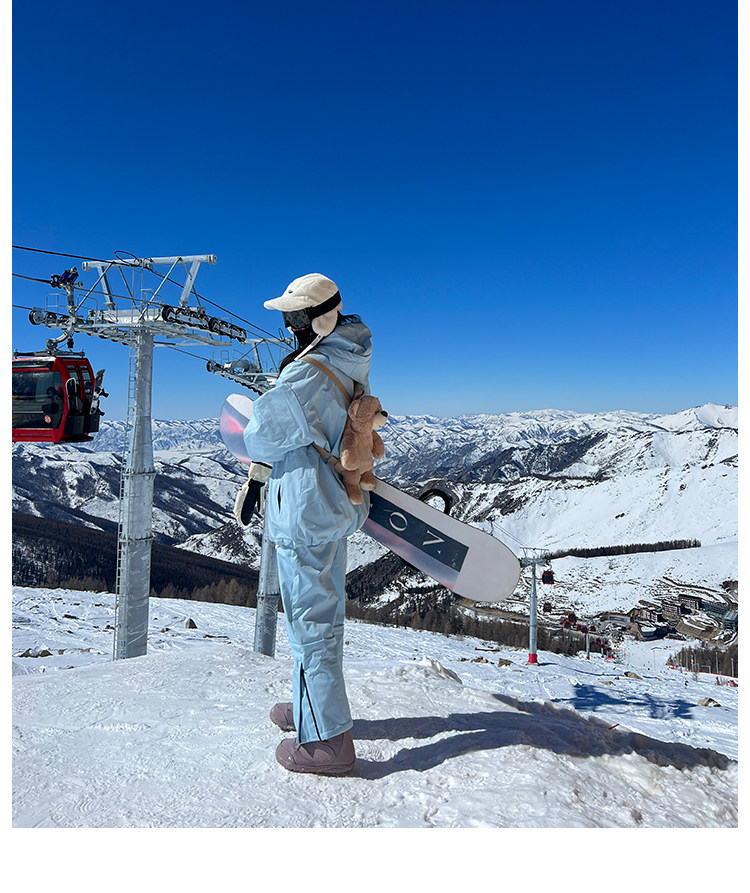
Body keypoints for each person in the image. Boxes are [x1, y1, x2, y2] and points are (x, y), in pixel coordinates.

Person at [242, 273, 374, 776]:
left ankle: (327, 743)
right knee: (319, 616)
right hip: (330, 502)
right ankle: (311, 709)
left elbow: (260, 436)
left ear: (318, 319)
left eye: (294, 316)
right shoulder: (348, 357)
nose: (289, 326)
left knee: (310, 622)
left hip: (305, 507)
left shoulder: (307, 372)